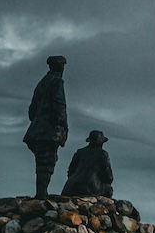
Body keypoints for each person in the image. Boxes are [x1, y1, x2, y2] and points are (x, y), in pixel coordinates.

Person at [23, 55, 68, 198]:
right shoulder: (57, 82)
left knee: (42, 163)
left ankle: (41, 192)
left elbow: (31, 111)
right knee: (46, 163)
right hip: (49, 131)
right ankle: (41, 194)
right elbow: (59, 106)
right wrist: (62, 125)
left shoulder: (42, 83)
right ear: (60, 67)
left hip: (36, 130)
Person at [61, 130, 114, 197]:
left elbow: (70, 171)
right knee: (108, 189)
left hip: (71, 186)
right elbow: (109, 177)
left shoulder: (80, 152)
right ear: (101, 143)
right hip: (90, 187)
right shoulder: (103, 154)